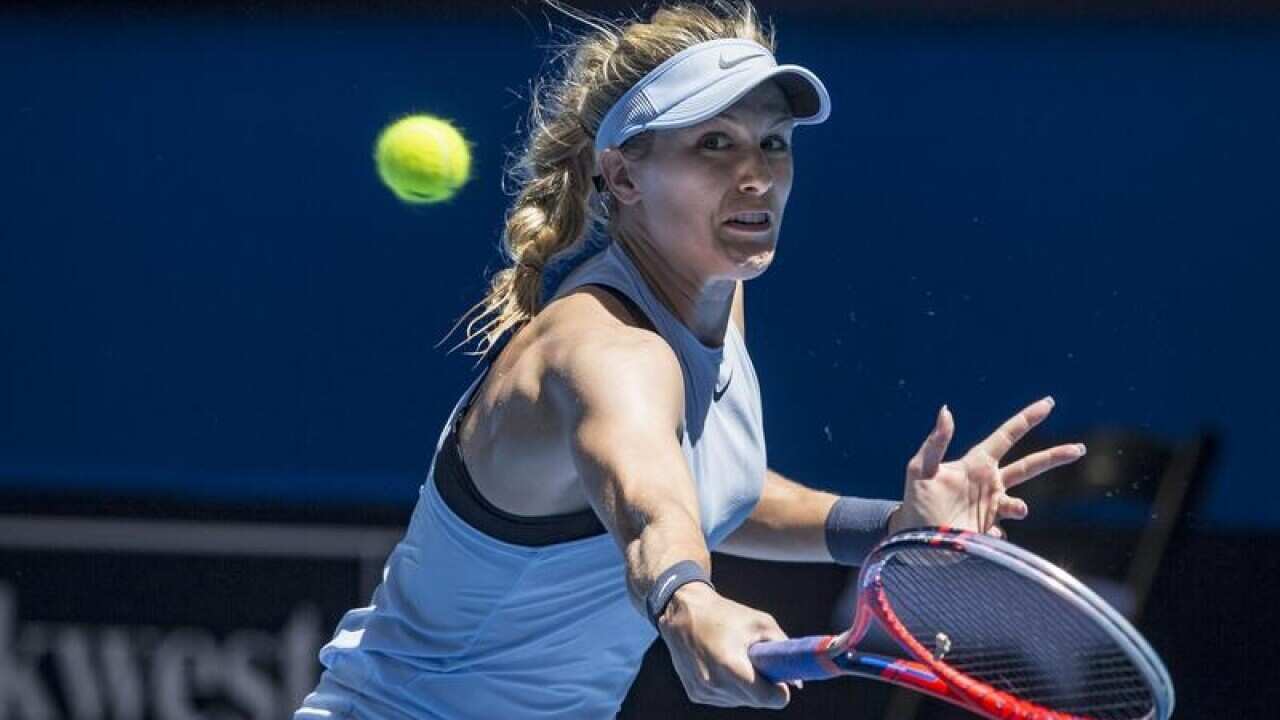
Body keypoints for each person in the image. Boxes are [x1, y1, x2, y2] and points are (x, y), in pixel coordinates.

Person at [294, 2, 1086, 717]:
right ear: (622, 176)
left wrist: (888, 526)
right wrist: (688, 600)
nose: (756, 174)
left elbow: (710, 483)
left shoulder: (714, 295)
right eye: (714, 143)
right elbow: (647, 501)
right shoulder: (606, 351)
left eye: (772, 142)